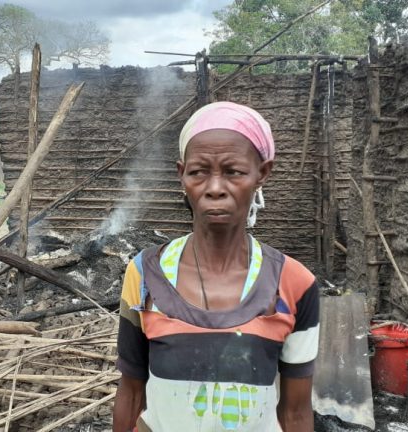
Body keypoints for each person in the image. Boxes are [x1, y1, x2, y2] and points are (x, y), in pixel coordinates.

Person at [112, 102, 320, 432]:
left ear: (262, 173)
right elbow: (131, 391)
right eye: (198, 172)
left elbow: (295, 413)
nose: (215, 188)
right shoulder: (144, 275)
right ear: (181, 175)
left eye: (233, 171)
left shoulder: (295, 284)